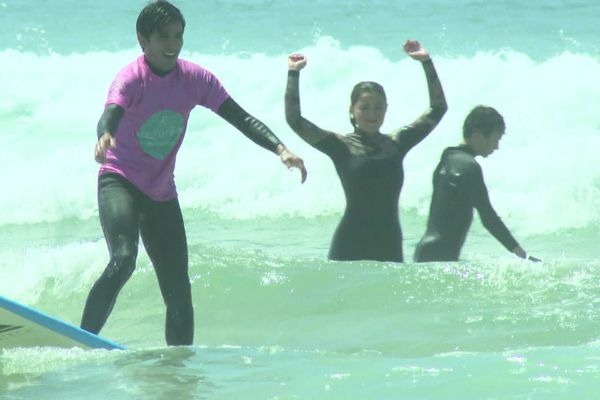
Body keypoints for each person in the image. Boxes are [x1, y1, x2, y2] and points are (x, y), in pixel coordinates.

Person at [81, 0, 307, 346]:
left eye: (178, 36)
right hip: (120, 181)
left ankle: (179, 373)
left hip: (161, 193)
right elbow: (111, 111)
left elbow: (240, 116)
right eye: (164, 37)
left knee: (179, 292)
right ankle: (81, 339)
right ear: (144, 40)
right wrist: (105, 134)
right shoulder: (131, 78)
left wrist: (281, 149)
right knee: (124, 259)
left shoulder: (194, 79)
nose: (173, 44)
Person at [285, 40, 447, 262]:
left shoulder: (396, 144)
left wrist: (426, 62)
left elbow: (438, 109)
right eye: (365, 107)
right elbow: (294, 120)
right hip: (348, 245)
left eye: (378, 107)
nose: (372, 113)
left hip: (389, 244)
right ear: (352, 110)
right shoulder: (341, 146)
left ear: (386, 109)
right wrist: (293, 74)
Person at [413, 105, 540, 262]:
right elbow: (488, 217)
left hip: (426, 252)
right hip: (440, 256)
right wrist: (522, 255)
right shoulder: (469, 167)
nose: (496, 146)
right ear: (478, 135)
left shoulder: (447, 158)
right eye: (495, 139)